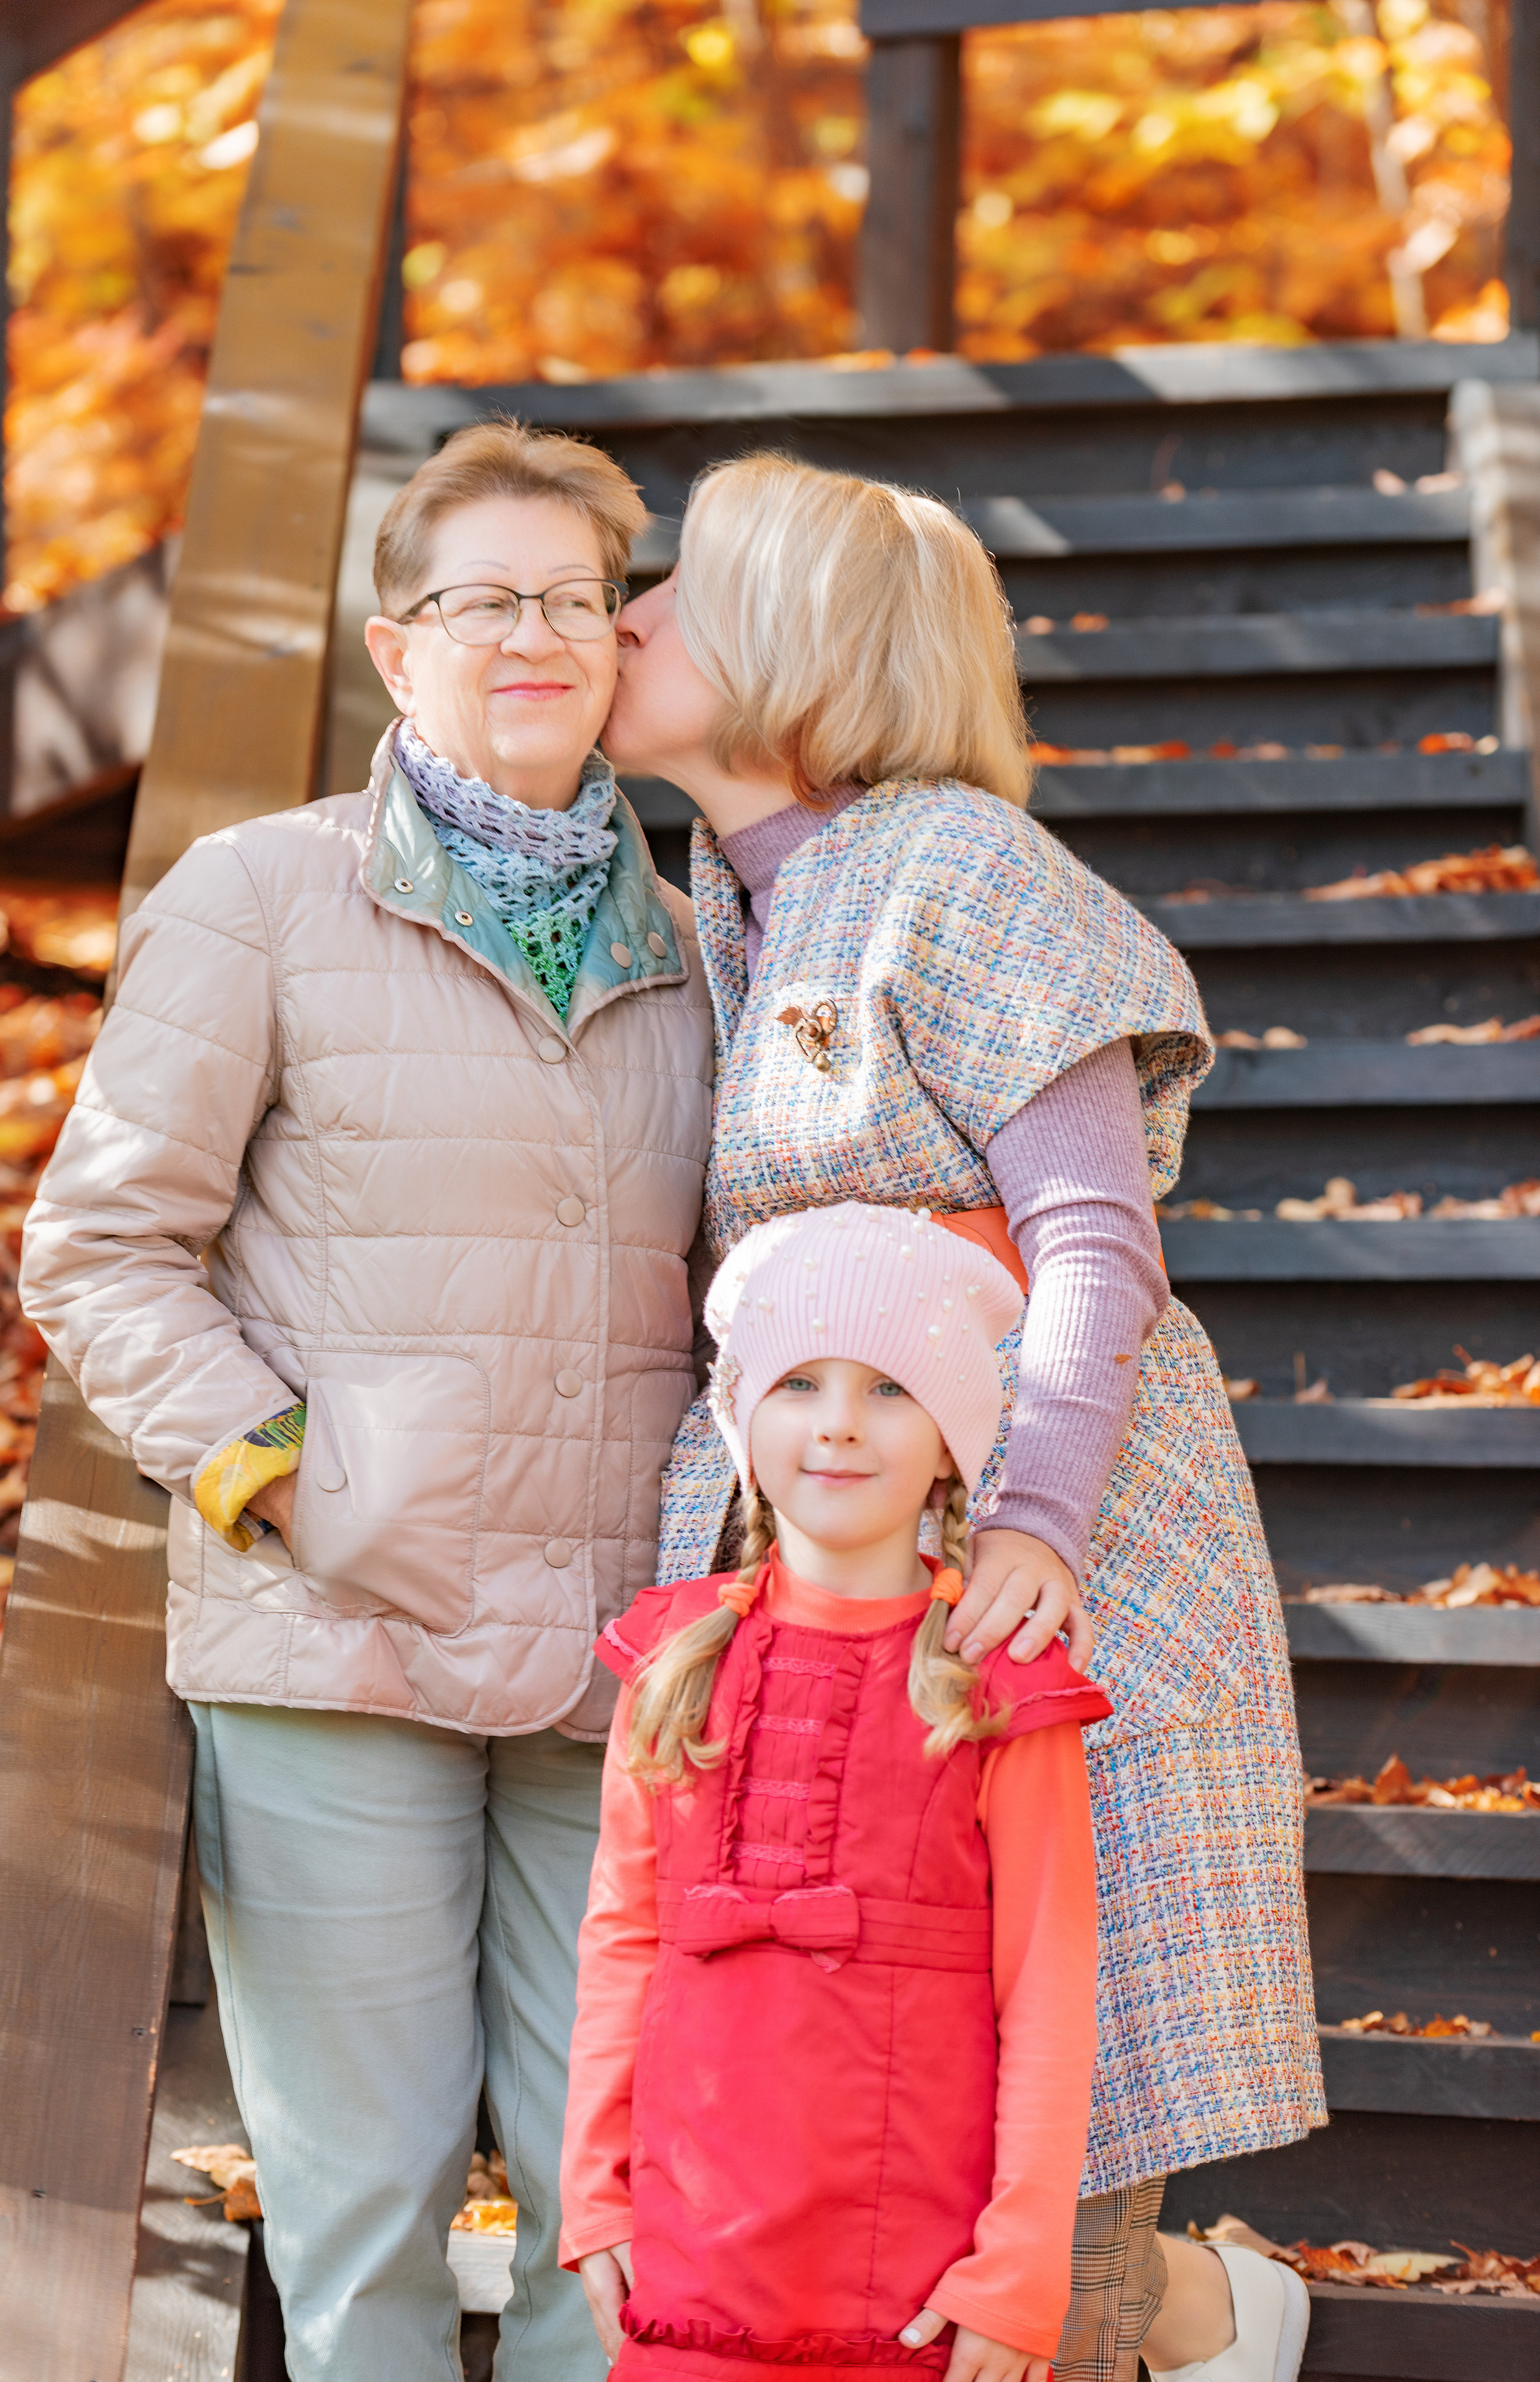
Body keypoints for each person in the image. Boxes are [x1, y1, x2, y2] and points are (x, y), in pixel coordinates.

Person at [600, 455, 1324, 2382]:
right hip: (844, 1582)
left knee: (1038, 2137)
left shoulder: (960, 863)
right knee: (884, 2120)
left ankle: (1189, 2312)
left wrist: (1040, 1525)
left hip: (1029, 1575)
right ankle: (1220, 2317)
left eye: (675, 585)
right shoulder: (728, 909)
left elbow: (1097, 1235)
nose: (626, 613)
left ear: (797, 652)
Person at [19, 422, 714, 2382]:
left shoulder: (707, 936)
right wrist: (290, 1481)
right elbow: (95, 1248)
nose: (538, 635)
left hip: (621, 1650)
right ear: (395, 645)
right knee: (366, 2215)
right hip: (339, 1638)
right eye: (485, 598)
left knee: (626, 2197)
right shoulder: (260, 895)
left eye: (577, 597)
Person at [561, 1200, 1116, 2380]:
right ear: (744, 1415)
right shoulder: (671, 1660)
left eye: (889, 1390)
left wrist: (1017, 2267)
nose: (840, 1429)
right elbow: (623, 1940)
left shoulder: (996, 1688)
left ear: (953, 1436)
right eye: (801, 1383)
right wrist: (595, 2195)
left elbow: (1051, 1990)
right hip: (691, 2259)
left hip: (912, 2274)